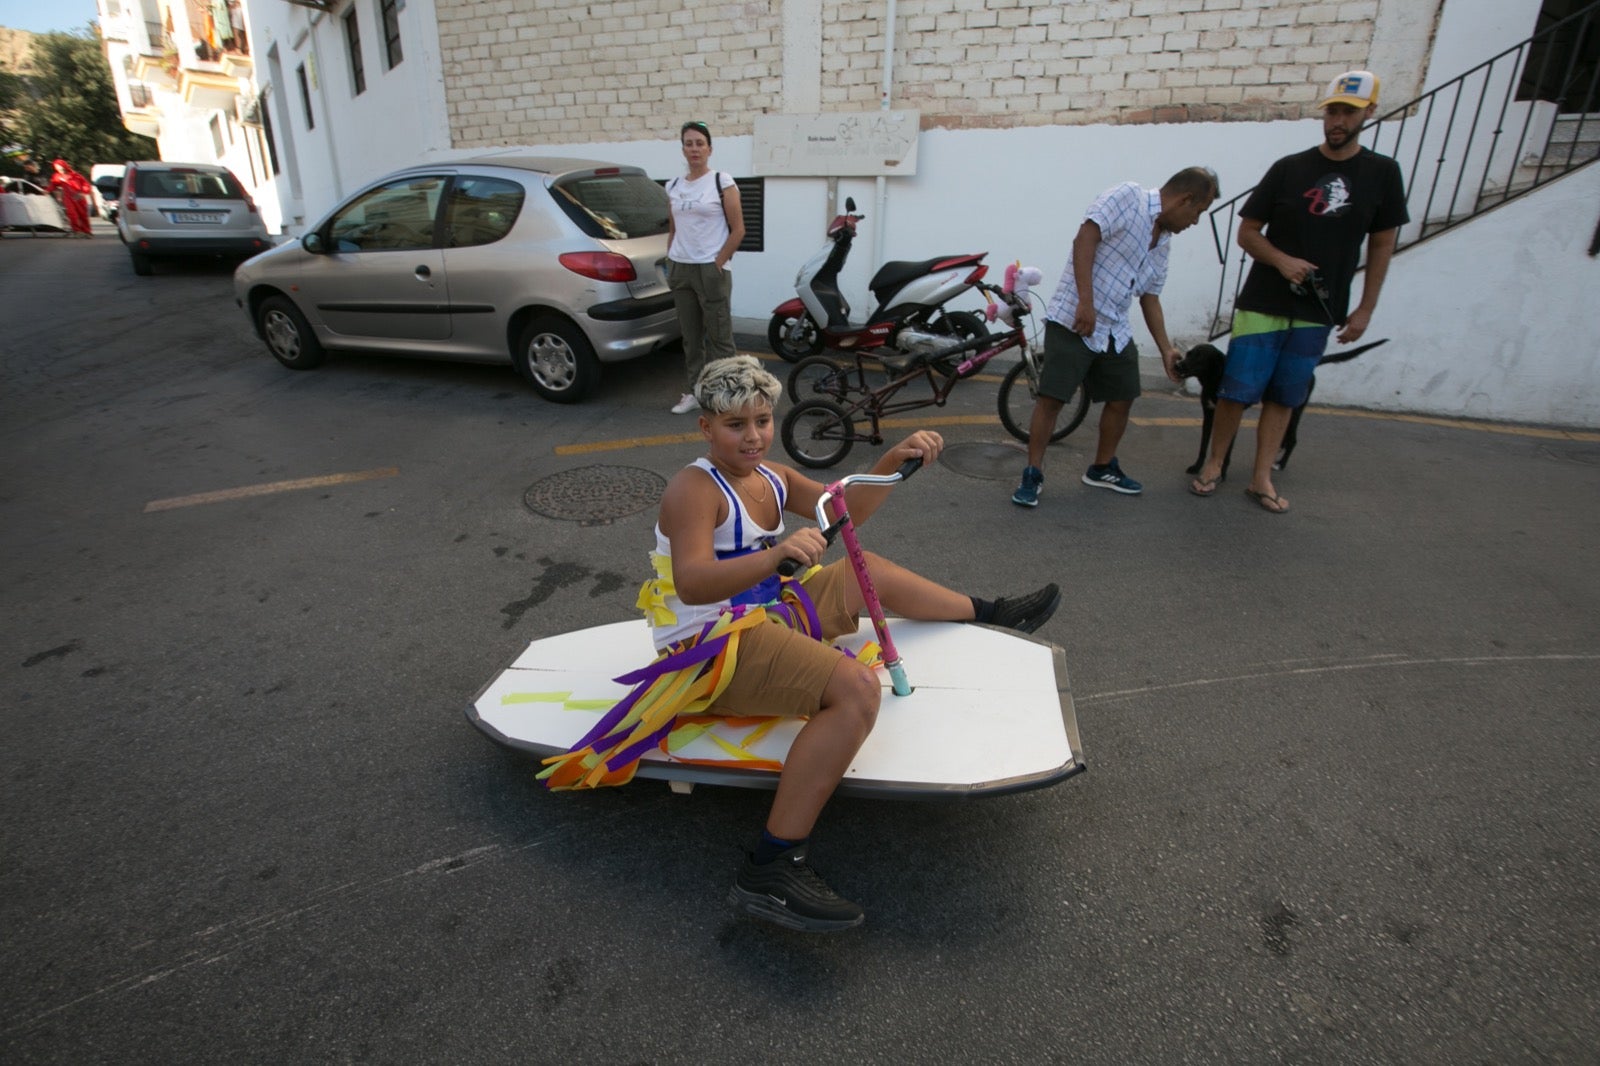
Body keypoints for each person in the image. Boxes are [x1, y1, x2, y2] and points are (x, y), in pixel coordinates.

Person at [544, 356, 1061, 932]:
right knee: (857, 691)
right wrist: (775, 554)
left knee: (877, 573)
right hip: (708, 645)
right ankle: (770, 866)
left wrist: (893, 459)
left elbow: (846, 510)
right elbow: (691, 581)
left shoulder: (774, 476)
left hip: (761, 611)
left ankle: (993, 614)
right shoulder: (694, 489)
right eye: (736, 425)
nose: (754, 436)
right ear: (706, 429)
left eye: (763, 420)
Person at [1190, 71, 1409, 514]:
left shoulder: (1382, 173)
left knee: (1286, 394)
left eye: (1348, 111)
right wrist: (1282, 261)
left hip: (1319, 309)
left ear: (1369, 112)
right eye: (1332, 110)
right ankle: (1214, 463)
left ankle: (1261, 477)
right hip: (1262, 301)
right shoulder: (1290, 168)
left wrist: (1365, 308)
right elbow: (1248, 233)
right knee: (1236, 389)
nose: (1338, 120)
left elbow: (1383, 243)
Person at [1011, 167, 1220, 507]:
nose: (1195, 222)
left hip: (1114, 327)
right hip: (1074, 317)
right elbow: (1085, 239)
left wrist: (1166, 348)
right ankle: (1033, 472)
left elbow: (1150, 298)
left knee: (1123, 395)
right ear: (1185, 199)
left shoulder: (1163, 243)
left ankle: (1102, 467)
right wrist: (1085, 302)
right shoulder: (1129, 197)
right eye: (1198, 212)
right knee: (1052, 398)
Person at [666, 121, 745, 415]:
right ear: (683, 149)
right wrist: (670, 258)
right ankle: (696, 392)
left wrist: (718, 262)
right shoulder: (673, 186)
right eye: (689, 143)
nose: (694, 148)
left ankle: (728, 394)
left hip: (711, 268)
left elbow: (738, 230)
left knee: (720, 337)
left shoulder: (721, 182)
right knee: (691, 336)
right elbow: (674, 229)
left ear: (709, 148)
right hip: (681, 267)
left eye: (700, 143)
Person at [48, 160, 94, 238]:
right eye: (57, 168)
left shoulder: (76, 175)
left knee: (82, 214)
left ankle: (87, 231)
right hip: (68, 198)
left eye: (60, 167)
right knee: (72, 214)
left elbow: (86, 185)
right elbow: (53, 185)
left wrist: (83, 192)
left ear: (65, 166)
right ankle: (77, 231)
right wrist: (47, 191)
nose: (59, 169)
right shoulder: (57, 176)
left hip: (79, 197)